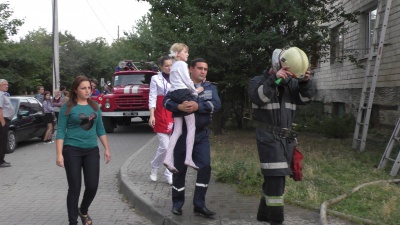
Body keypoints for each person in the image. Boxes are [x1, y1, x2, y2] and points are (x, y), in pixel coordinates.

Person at [248, 47, 315, 225]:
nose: (290, 76)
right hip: (268, 138)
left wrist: (304, 82)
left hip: (287, 140)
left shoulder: (292, 85)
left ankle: (263, 214)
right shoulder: (258, 81)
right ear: (278, 65)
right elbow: (258, 98)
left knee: (274, 178)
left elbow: (307, 99)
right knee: (277, 180)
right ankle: (276, 221)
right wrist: (273, 81)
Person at [163, 58, 221, 217]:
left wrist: (198, 106)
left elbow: (216, 104)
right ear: (191, 69)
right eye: (200, 68)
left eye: (205, 69)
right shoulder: (179, 84)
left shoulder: (209, 87)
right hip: (182, 136)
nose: (203, 71)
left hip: (201, 135)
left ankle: (199, 205)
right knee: (179, 171)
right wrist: (178, 107)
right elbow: (166, 101)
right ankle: (177, 204)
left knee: (205, 167)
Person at [56, 75, 111, 225]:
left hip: (91, 150)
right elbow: (60, 131)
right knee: (75, 187)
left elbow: (100, 128)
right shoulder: (68, 107)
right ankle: (72, 222)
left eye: (89, 88)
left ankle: (83, 210)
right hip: (71, 150)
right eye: (83, 88)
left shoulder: (94, 106)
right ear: (75, 90)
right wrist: (59, 154)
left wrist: (107, 148)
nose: (87, 91)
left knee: (92, 186)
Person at [163, 43, 204, 173]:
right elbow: (187, 80)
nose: (187, 54)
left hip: (174, 94)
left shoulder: (174, 66)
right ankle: (188, 158)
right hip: (183, 93)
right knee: (191, 128)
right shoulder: (181, 64)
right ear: (179, 53)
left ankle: (168, 159)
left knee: (177, 130)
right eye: (186, 52)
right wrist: (195, 91)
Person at [148, 56, 174, 185]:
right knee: (165, 146)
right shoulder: (155, 78)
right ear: (161, 67)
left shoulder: (176, 77)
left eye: (171, 65)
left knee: (171, 146)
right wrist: (151, 115)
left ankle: (167, 172)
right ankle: (155, 167)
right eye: (166, 66)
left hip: (173, 112)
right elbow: (152, 97)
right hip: (160, 112)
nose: (169, 68)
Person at [0, 79, 15, 168]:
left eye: (7, 84)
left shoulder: (3, 95)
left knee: (3, 140)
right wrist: (2, 122)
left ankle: (1, 159)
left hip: (5, 120)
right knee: (2, 141)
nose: (7, 86)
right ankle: (1, 161)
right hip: (3, 120)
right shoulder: (0, 95)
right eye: (5, 84)